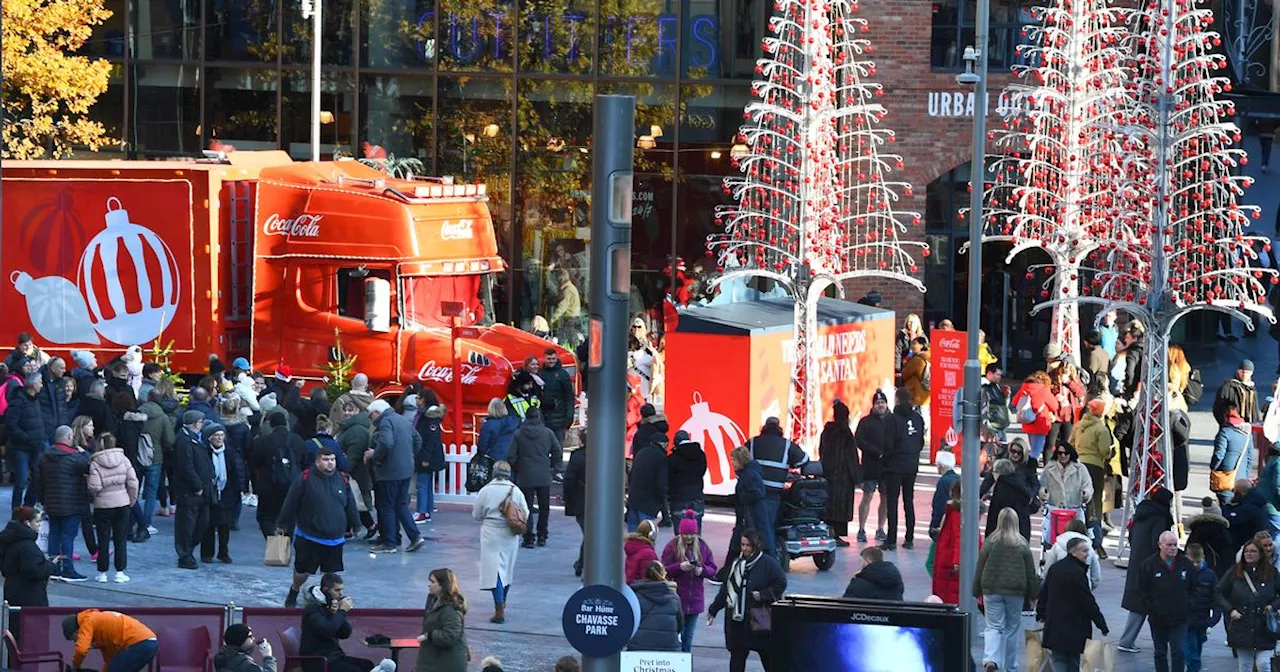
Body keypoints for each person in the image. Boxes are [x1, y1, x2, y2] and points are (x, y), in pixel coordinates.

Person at [277, 446, 361, 608]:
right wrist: (282, 523)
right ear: (317, 461)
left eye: (332, 459)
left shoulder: (342, 479)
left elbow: (350, 504)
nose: (330, 463)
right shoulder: (305, 478)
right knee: (303, 572)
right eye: (326, 459)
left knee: (331, 574)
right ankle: (294, 590)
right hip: (309, 536)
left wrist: (356, 524)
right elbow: (291, 501)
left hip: (335, 538)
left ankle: (331, 601)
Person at [707, 529, 787, 672]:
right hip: (737, 621)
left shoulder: (768, 564)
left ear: (756, 546)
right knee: (737, 658)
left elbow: (780, 583)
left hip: (758, 620)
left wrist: (763, 595)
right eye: (743, 545)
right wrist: (714, 609)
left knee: (767, 657)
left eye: (748, 545)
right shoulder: (736, 563)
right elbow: (726, 589)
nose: (744, 548)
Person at [974, 508, 1039, 672]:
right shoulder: (1022, 543)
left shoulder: (991, 542)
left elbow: (980, 566)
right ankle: (1010, 666)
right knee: (1012, 628)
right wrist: (1033, 595)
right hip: (1015, 591)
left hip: (991, 589)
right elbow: (1030, 572)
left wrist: (976, 589)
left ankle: (990, 659)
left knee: (993, 626)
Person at [1036, 536, 1109, 672]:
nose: (1087, 554)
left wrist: (1040, 612)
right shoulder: (1078, 573)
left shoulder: (1055, 568)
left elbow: (1044, 593)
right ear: (1072, 552)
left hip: (1055, 624)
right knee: (1073, 661)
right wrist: (1101, 624)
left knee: (1058, 659)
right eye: (1084, 551)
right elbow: (1088, 602)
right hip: (1075, 627)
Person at [1118, 487, 1176, 652]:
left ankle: (1127, 640)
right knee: (1150, 604)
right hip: (1151, 568)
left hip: (1136, 562)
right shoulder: (1159, 518)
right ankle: (1129, 641)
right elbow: (1157, 545)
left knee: (1138, 604)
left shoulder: (1141, 514)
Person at [472, 461, 529, 624]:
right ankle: (502, 602)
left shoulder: (486, 490)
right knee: (506, 570)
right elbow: (525, 512)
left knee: (493, 571)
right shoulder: (516, 491)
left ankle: (499, 607)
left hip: (490, 532)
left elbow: (476, 514)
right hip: (510, 533)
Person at [367, 399, 426, 554]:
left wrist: (375, 455)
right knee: (400, 505)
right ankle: (415, 536)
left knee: (386, 506)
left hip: (389, 471)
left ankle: (389, 543)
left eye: (370, 416)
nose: (371, 420)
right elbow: (417, 439)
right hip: (405, 469)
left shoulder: (386, 422)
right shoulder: (403, 420)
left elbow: (386, 443)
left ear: (376, 412)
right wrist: (409, 455)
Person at [744, 416, 808, 553]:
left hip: (753, 491)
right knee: (768, 526)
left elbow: (741, 461)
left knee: (752, 526)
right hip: (773, 493)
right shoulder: (786, 444)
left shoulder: (752, 442)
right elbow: (804, 460)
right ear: (779, 428)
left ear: (764, 427)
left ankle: (752, 554)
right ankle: (769, 555)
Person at [34, 424, 91, 581]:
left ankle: (53, 567)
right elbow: (89, 466)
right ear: (69, 437)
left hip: (51, 503)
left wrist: (43, 500)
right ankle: (67, 569)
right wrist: (84, 452)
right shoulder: (74, 457)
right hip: (71, 504)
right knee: (68, 537)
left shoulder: (45, 456)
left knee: (54, 535)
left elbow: (38, 481)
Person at [300, 573, 388, 672]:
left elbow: (345, 634)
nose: (341, 594)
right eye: (337, 590)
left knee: (367, 665)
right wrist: (341, 612)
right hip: (318, 660)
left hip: (334, 656)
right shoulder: (313, 609)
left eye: (342, 589)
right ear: (325, 590)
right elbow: (327, 629)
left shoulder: (329, 605)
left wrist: (337, 613)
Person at [1216, 537, 1280, 671]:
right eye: (1247, 551)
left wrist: (1272, 606)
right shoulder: (1235, 572)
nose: (1249, 554)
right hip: (1242, 624)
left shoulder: (1272, 573)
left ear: (1260, 554)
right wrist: (1230, 610)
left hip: (1264, 626)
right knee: (1245, 664)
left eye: (1253, 551)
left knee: (1263, 664)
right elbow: (1218, 592)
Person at [1134, 531, 1194, 672]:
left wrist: (1189, 605)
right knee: (1160, 652)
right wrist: (1152, 608)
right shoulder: (1148, 565)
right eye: (1169, 545)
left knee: (1178, 651)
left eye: (1175, 544)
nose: (1173, 548)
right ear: (1160, 545)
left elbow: (1194, 587)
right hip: (1158, 618)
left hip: (1180, 617)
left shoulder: (1185, 563)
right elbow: (1142, 590)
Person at [661, 510, 717, 652]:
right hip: (677, 599)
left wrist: (702, 571)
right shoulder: (672, 547)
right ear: (680, 533)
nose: (689, 537)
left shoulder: (703, 546)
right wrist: (679, 567)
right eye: (686, 534)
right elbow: (663, 569)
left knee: (688, 639)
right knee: (676, 637)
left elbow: (713, 569)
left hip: (695, 601)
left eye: (692, 534)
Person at [87, 432, 138, 583]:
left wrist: (96, 497)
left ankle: (102, 573)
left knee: (103, 538)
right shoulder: (124, 459)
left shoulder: (95, 463)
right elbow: (133, 482)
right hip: (122, 503)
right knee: (120, 539)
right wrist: (131, 500)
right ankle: (120, 572)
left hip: (103, 505)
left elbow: (94, 486)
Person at [507, 406, 561, 547]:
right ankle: (542, 535)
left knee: (526, 507)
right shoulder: (548, 433)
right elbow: (557, 451)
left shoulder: (518, 434)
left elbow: (511, 456)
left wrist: (518, 467)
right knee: (544, 507)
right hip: (543, 475)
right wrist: (551, 465)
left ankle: (528, 537)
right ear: (539, 416)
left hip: (525, 475)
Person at [251, 413, 306, 539]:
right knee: (289, 518)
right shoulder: (297, 440)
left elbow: (254, 464)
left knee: (266, 517)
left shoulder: (263, 442)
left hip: (268, 487)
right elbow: (304, 463)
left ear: (271, 425)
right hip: (292, 486)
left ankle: (273, 541)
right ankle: (285, 546)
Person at [173, 409, 214, 569]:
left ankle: (188, 550)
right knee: (187, 524)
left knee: (202, 522)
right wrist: (197, 486)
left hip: (201, 490)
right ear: (195, 423)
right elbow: (186, 466)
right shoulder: (184, 441)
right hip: (189, 491)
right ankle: (185, 555)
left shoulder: (196, 439)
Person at [1072, 398, 1113, 557]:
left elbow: (1070, 443)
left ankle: (1076, 536)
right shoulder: (1100, 429)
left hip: (1078, 465)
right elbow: (1104, 451)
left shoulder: (1079, 426)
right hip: (1095, 467)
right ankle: (1097, 543)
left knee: (1077, 502)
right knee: (1094, 505)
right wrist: (1109, 452)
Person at [884, 388, 924, 550]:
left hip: (894, 466)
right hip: (911, 464)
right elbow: (920, 442)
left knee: (892, 503)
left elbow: (888, 444)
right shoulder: (918, 418)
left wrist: (885, 461)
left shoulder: (892, 419)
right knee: (909, 501)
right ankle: (909, 539)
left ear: (897, 400)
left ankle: (891, 540)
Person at [854, 391, 895, 543]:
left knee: (885, 498)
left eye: (882, 402)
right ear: (873, 405)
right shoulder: (865, 422)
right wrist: (875, 452)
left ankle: (880, 529)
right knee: (867, 496)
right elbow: (859, 440)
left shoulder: (893, 420)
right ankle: (861, 529)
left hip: (887, 467)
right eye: (877, 403)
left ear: (886, 403)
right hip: (870, 466)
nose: (880, 405)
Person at [201, 422, 244, 565]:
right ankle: (207, 553)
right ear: (209, 437)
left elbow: (237, 472)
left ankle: (223, 552)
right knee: (208, 525)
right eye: (216, 436)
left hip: (227, 492)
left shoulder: (230, 453)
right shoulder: (203, 452)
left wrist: (238, 489)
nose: (219, 439)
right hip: (210, 493)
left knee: (225, 525)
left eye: (221, 435)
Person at [135, 389, 175, 542]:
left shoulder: (137, 413)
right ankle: (146, 523)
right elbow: (170, 440)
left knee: (134, 491)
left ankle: (134, 520)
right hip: (155, 457)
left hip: (137, 456)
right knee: (151, 493)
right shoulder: (163, 417)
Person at [0, 506, 58, 611]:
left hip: (12, 591)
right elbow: (34, 571)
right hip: (29, 596)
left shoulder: (9, 538)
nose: (40, 524)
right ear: (28, 523)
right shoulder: (28, 546)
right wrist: (51, 565)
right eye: (37, 521)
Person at [63, 609, 159, 671]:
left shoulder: (88, 621)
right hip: (147, 643)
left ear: (77, 630)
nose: (76, 641)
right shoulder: (102, 630)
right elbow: (110, 660)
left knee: (116, 669)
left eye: (74, 638)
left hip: (140, 643)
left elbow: (81, 650)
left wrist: (75, 666)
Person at [334, 399, 376, 538]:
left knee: (356, 501)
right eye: (345, 409)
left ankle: (369, 525)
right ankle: (350, 529)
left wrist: (344, 466)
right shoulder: (349, 428)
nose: (346, 413)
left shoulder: (356, 430)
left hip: (355, 473)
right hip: (353, 472)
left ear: (357, 411)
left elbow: (353, 454)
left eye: (350, 410)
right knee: (352, 501)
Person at [819, 399, 858, 546]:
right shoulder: (846, 433)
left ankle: (829, 532)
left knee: (830, 505)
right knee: (840, 508)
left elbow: (821, 450)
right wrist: (856, 476)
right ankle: (836, 534)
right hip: (843, 478)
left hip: (828, 475)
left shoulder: (827, 432)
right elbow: (851, 457)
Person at [415, 567, 469, 672]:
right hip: (435, 660)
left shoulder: (450, 609)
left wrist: (429, 636)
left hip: (446, 664)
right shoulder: (434, 602)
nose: (429, 584)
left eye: (433, 582)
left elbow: (450, 636)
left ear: (443, 585)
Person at [5, 371, 46, 510]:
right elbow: (10, 424)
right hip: (21, 447)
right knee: (21, 481)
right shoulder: (18, 400)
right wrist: (27, 438)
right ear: (34, 385)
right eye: (40, 382)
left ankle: (28, 507)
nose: (42, 385)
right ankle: (16, 511)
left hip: (36, 446)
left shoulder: (37, 400)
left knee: (37, 479)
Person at [726, 445, 772, 569]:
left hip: (751, 516)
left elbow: (756, 493)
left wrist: (740, 498)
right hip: (751, 516)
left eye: (734, 460)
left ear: (741, 460)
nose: (732, 463)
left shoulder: (749, 475)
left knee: (738, 544)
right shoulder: (749, 473)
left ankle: (726, 573)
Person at [628, 561, 683, 652]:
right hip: (668, 647)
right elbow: (680, 625)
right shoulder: (674, 598)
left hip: (639, 646)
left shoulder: (635, 597)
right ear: (663, 574)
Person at [1184, 543, 1219, 672]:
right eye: (1192, 562)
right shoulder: (1182, 573)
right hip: (1186, 620)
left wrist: (1213, 618)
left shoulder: (1209, 575)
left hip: (1201, 620)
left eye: (1197, 562)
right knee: (1193, 656)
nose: (1195, 565)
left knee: (1196, 650)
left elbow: (1216, 597)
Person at [1213, 400, 1256, 503]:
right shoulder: (1247, 434)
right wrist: (1246, 474)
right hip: (1241, 477)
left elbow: (1219, 455)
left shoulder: (1225, 432)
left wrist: (1214, 468)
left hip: (1226, 475)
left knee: (1225, 506)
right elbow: (1250, 456)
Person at [1010, 370, 1059, 461]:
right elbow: (1054, 406)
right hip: (1040, 423)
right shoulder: (1043, 390)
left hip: (1027, 420)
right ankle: (1031, 470)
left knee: (1033, 448)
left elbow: (1014, 401)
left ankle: (1030, 467)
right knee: (1036, 452)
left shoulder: (1024, 388)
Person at [1040, 518, 1102, 591]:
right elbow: (1096, 576)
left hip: (1059, 588)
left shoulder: (1057, 546)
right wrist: (1089, 587)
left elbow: (1048, 570)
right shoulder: (1089, 548)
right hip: (1082, 588)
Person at [627, 428, 669, 532]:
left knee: (633, 533)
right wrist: (661, 499)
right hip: (648, 501)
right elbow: (661, 483)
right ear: (663, 444)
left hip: (634, 498)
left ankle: (632, 548)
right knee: (646, 534)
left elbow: (631, 474)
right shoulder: (660, 457)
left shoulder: (641, 453)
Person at [411, 396, 444, 524]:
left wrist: (425, 457)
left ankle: (422, 511)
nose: (416, 399)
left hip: (426, 455)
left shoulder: (428, 418)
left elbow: (430, 439)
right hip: (429, 455)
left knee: (422, 484)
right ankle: (427, 508)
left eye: (419, 397)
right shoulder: (430, 417)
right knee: (427, 483)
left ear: (424, 400)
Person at [932, 480, 965, 604]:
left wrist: (956, 561)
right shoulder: (957, 511)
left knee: (948, 597)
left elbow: (958, 536)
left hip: (948, 560)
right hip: (948, 559)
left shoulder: (956, 512)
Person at [668, 430, 707, 533]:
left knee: (680, 532)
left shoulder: (673, 458)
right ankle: (696, 549)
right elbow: (702, 471)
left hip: (678, 497)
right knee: (696, 530)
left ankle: (681, 549)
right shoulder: (701, 455)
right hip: (697, 495)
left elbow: (669, 477)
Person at [986, 459, 1033, 541]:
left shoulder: (1001, 486)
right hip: (1021, 532)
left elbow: (994, 515)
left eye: (994, 471)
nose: (993, 474)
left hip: (1002, 533)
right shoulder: (1019, 482)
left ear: (1000, 472)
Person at [1188, 496, 1235, 578]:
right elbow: (1228, 554)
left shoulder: (1196, 530)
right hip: (1218, 569)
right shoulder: (1222, 532)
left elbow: (1188, 548)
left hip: (1195, 569)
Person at [1227, 480, 1272, 561]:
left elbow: (1230, 520)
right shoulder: (1256, 501)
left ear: (1239, 492)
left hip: (1247, 543)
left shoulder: (1248, 508)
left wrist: (1227, 507)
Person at [540, 348, 575, 447]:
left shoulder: (563, 375)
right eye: (549, 359)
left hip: (559, 420)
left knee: (558, 449)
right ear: (544, 359)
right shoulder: (540, 373)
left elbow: (569, 396)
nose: (551, 361)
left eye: (553, 359)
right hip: (544, 418)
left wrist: (569, 418)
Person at [565, 429, 587, 577]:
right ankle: (582, 563)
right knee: (592, 534)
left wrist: (568, 499)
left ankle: (582, 564)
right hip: (602, 501)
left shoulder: (578, 456)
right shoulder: (606, 454)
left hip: (582, 499)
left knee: (589, 534)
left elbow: (569, 480)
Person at [1214, 359, 1262, 426]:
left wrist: (1256, 423)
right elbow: (1218, 408)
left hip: (1249, 428)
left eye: (1247, 372)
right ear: (1238, 371)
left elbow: (1255, 410)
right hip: (1232, 426)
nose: (1244, 374)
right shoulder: (1228, 387)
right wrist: (1224, 423)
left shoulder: (1252, 390)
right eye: (1242, 371)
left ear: (1252, 373)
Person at [476, 397, 519, 463]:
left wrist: (480, 457)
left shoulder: (488, 425)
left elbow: (482, 446)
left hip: (493, 459)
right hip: (511, 458)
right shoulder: (513, 422)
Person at [929, 450, 960, 539]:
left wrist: (934, 525)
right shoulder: (958, 479)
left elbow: (939, 505)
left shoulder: (943, 482)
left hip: (945, 523)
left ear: (940, 466)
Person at [625, 519, 660, 584]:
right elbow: (648, 578)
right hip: (642, 590)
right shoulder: (648, 554)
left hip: (633, 587)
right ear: (652, 535)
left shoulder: (634, 547)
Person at [900, 337, 931, 407]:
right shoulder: (928, 357)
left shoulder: (916, 360)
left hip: (916, 393)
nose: (912, 346)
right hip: (926, 394)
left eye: (914, 344)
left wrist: (906, 363)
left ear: (922, 345)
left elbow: (905, 374)